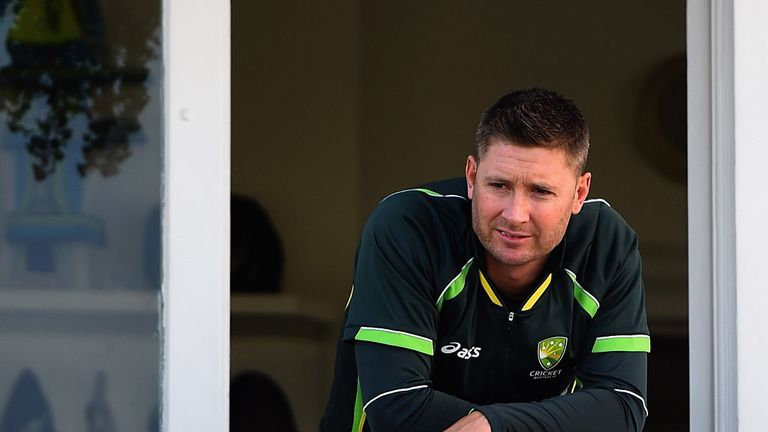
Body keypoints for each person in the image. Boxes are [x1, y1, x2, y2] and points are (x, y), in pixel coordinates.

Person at [319, 88, 650, 431]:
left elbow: (624, 406)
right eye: (499, 185)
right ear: (472, 176)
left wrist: (494, 424)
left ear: (579, 193)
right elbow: (396, 407)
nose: (515, 214)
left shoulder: (606, 244)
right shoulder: (407, 227)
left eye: (540, 191)